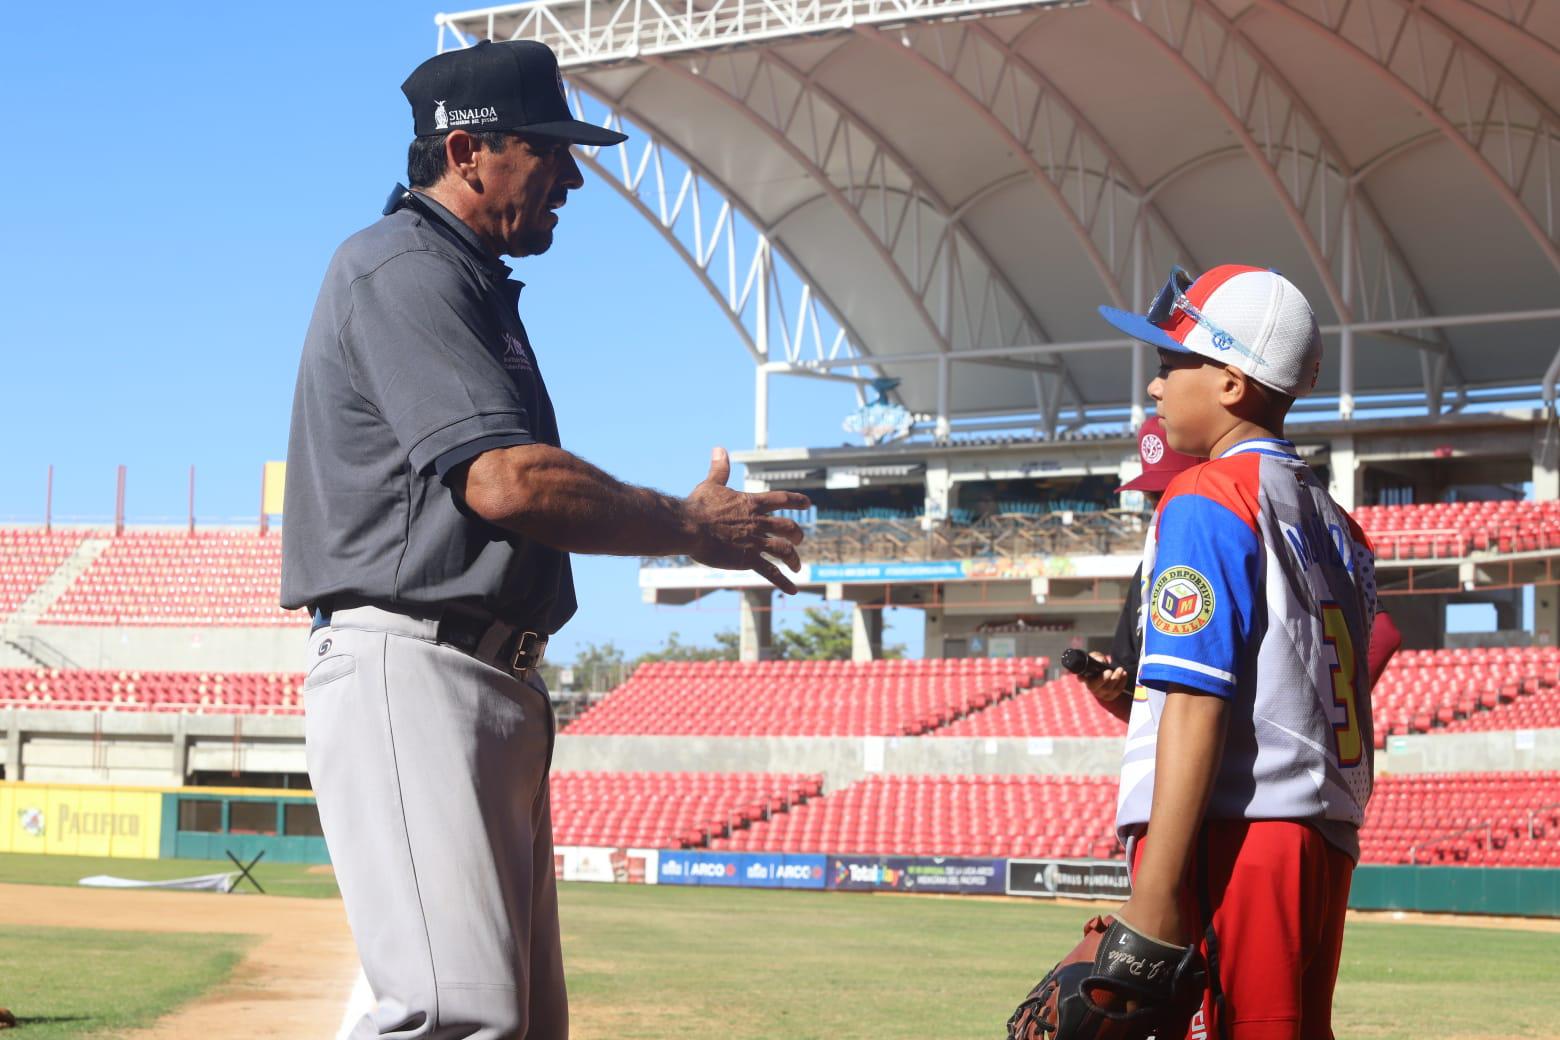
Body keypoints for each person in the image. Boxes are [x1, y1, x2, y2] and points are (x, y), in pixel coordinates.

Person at [280, 40, 809, 1039]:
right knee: (455, 1014)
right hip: (416, 660)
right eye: (550, 148)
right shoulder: (400, 267)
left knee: (518, 1022)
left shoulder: (468, 282)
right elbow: (504, 479)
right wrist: (689, 525)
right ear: (470, 150)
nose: (571, 174)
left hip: (487, 676)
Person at [1091, 264, 1380, 1039]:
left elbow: (1197, 701)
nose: (1154, 390)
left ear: (1228, 380)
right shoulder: (1338, 524)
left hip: (1235, 832)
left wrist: (1153, 898)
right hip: (1315, 834)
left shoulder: (1207, 494)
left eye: (1167, 366)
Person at [1083, 415, 1202, 721]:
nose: (1161, 508)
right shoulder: (1148, 570)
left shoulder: (1239, 557)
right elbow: (1138, 698)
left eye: (1172, 494)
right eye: (1154, 498)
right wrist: (1107, 689)